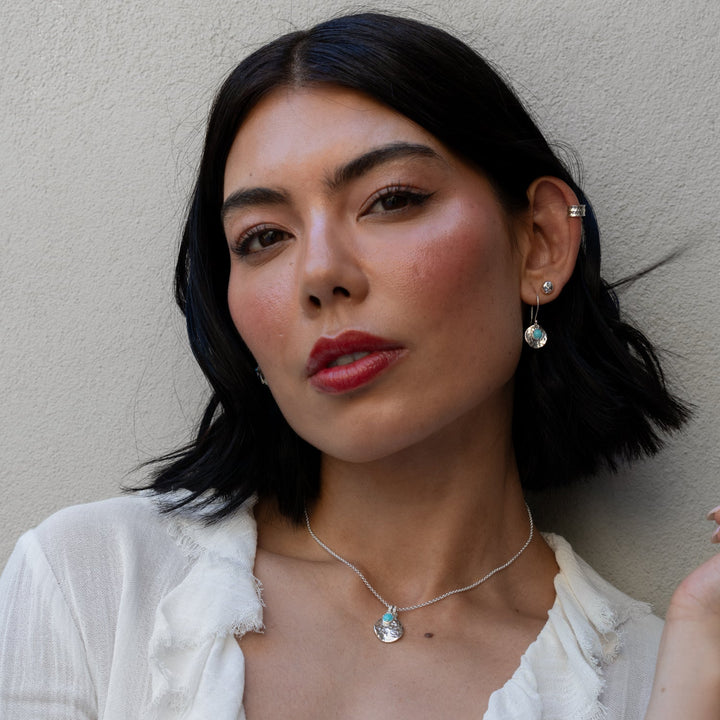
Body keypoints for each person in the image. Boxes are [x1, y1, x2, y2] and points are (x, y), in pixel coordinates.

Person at [0, 12, 717, 719]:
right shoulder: (93, 585)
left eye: (390, 200)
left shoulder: (657, 678)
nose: (320, 273)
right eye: (263, 238)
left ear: (540, 242)